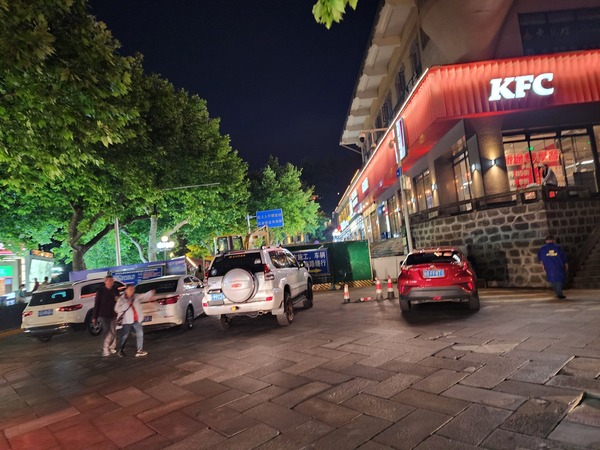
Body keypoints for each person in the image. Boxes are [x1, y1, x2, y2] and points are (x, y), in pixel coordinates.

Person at [115, 284, 154, 358]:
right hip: (127, 321)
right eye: (130, 289)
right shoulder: (122, 299)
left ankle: (139, 350)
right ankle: (120, 350)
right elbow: (116, 309)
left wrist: (151, 292)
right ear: (126, 290)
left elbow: (144, 295)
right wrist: (126, 305)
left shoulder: (136, 296)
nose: (132, 291)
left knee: (140, 334)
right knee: (125, 336)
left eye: (133, 289)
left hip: (137, 319)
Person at [92, 275, 120, 357]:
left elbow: (119, 301)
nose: (111, 282)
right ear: (105, 282)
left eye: (112, 280)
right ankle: (105, 348)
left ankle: (112, 347)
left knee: (113, 331)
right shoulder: (101, 291)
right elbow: (97, 304)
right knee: (106, 330)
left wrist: (117, 300)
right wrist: (94, 317)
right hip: (103, 314)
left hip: (113, 314)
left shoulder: (115, 290)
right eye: (109, 280)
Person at [537, 235, 568, 299]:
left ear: (546, 241)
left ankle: (557, 293)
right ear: (553, 240)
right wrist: (566, 263)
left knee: (552, 279)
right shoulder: (558, 247)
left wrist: (543, 265)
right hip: (558, 265)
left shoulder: (542, 249)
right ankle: (559, 294)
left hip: (549, 266)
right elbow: (563, 256)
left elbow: (540, 258)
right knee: (559, 279)